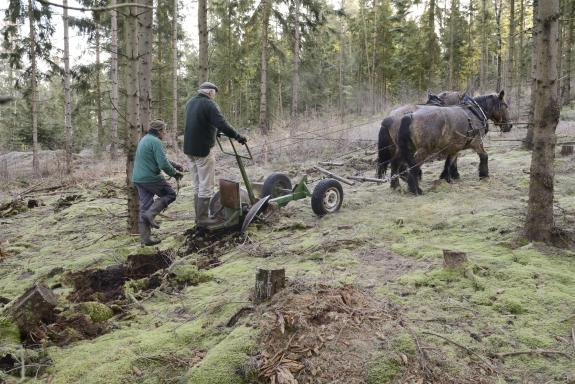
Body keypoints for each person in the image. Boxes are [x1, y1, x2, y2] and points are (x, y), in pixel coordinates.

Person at [184, 81, 247, 228]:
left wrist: (215, 131)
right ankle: (203, 219)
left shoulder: (191, 103)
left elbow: (200, 122)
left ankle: (198, 218)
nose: (214, 97)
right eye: (214, 94)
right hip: (203, 150)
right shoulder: (209, 104)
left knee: (197, 185)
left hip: (189, 150)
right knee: (206, 185)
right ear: (211, 92)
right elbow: (222, 123)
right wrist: (237, 136)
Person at [132, 119, 184, 246]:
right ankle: (151, 214)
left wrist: (175, 165)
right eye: (164, 130)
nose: (165, 133)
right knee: (170, 194)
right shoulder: (156, 142)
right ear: (159, 131)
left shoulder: (144, 139)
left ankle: (145, 239)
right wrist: (174, 173)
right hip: (150, 178)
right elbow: (162, 164)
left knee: (145, 206)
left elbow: (160, 159)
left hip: (138, 178)